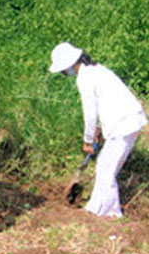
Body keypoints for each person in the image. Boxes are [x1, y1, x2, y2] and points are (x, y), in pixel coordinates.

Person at [49, 42, 147, 218]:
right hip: (128, 120)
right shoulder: (97, 70)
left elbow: (90, 113)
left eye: (64, 70)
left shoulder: (85, 78)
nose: (65, 74)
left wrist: (87, 140)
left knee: (105, 168)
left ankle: (108, 212)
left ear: (70, 65)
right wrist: (99, 131)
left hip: (123, 123)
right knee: (105, 166)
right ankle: (98, 209)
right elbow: (108, 101)